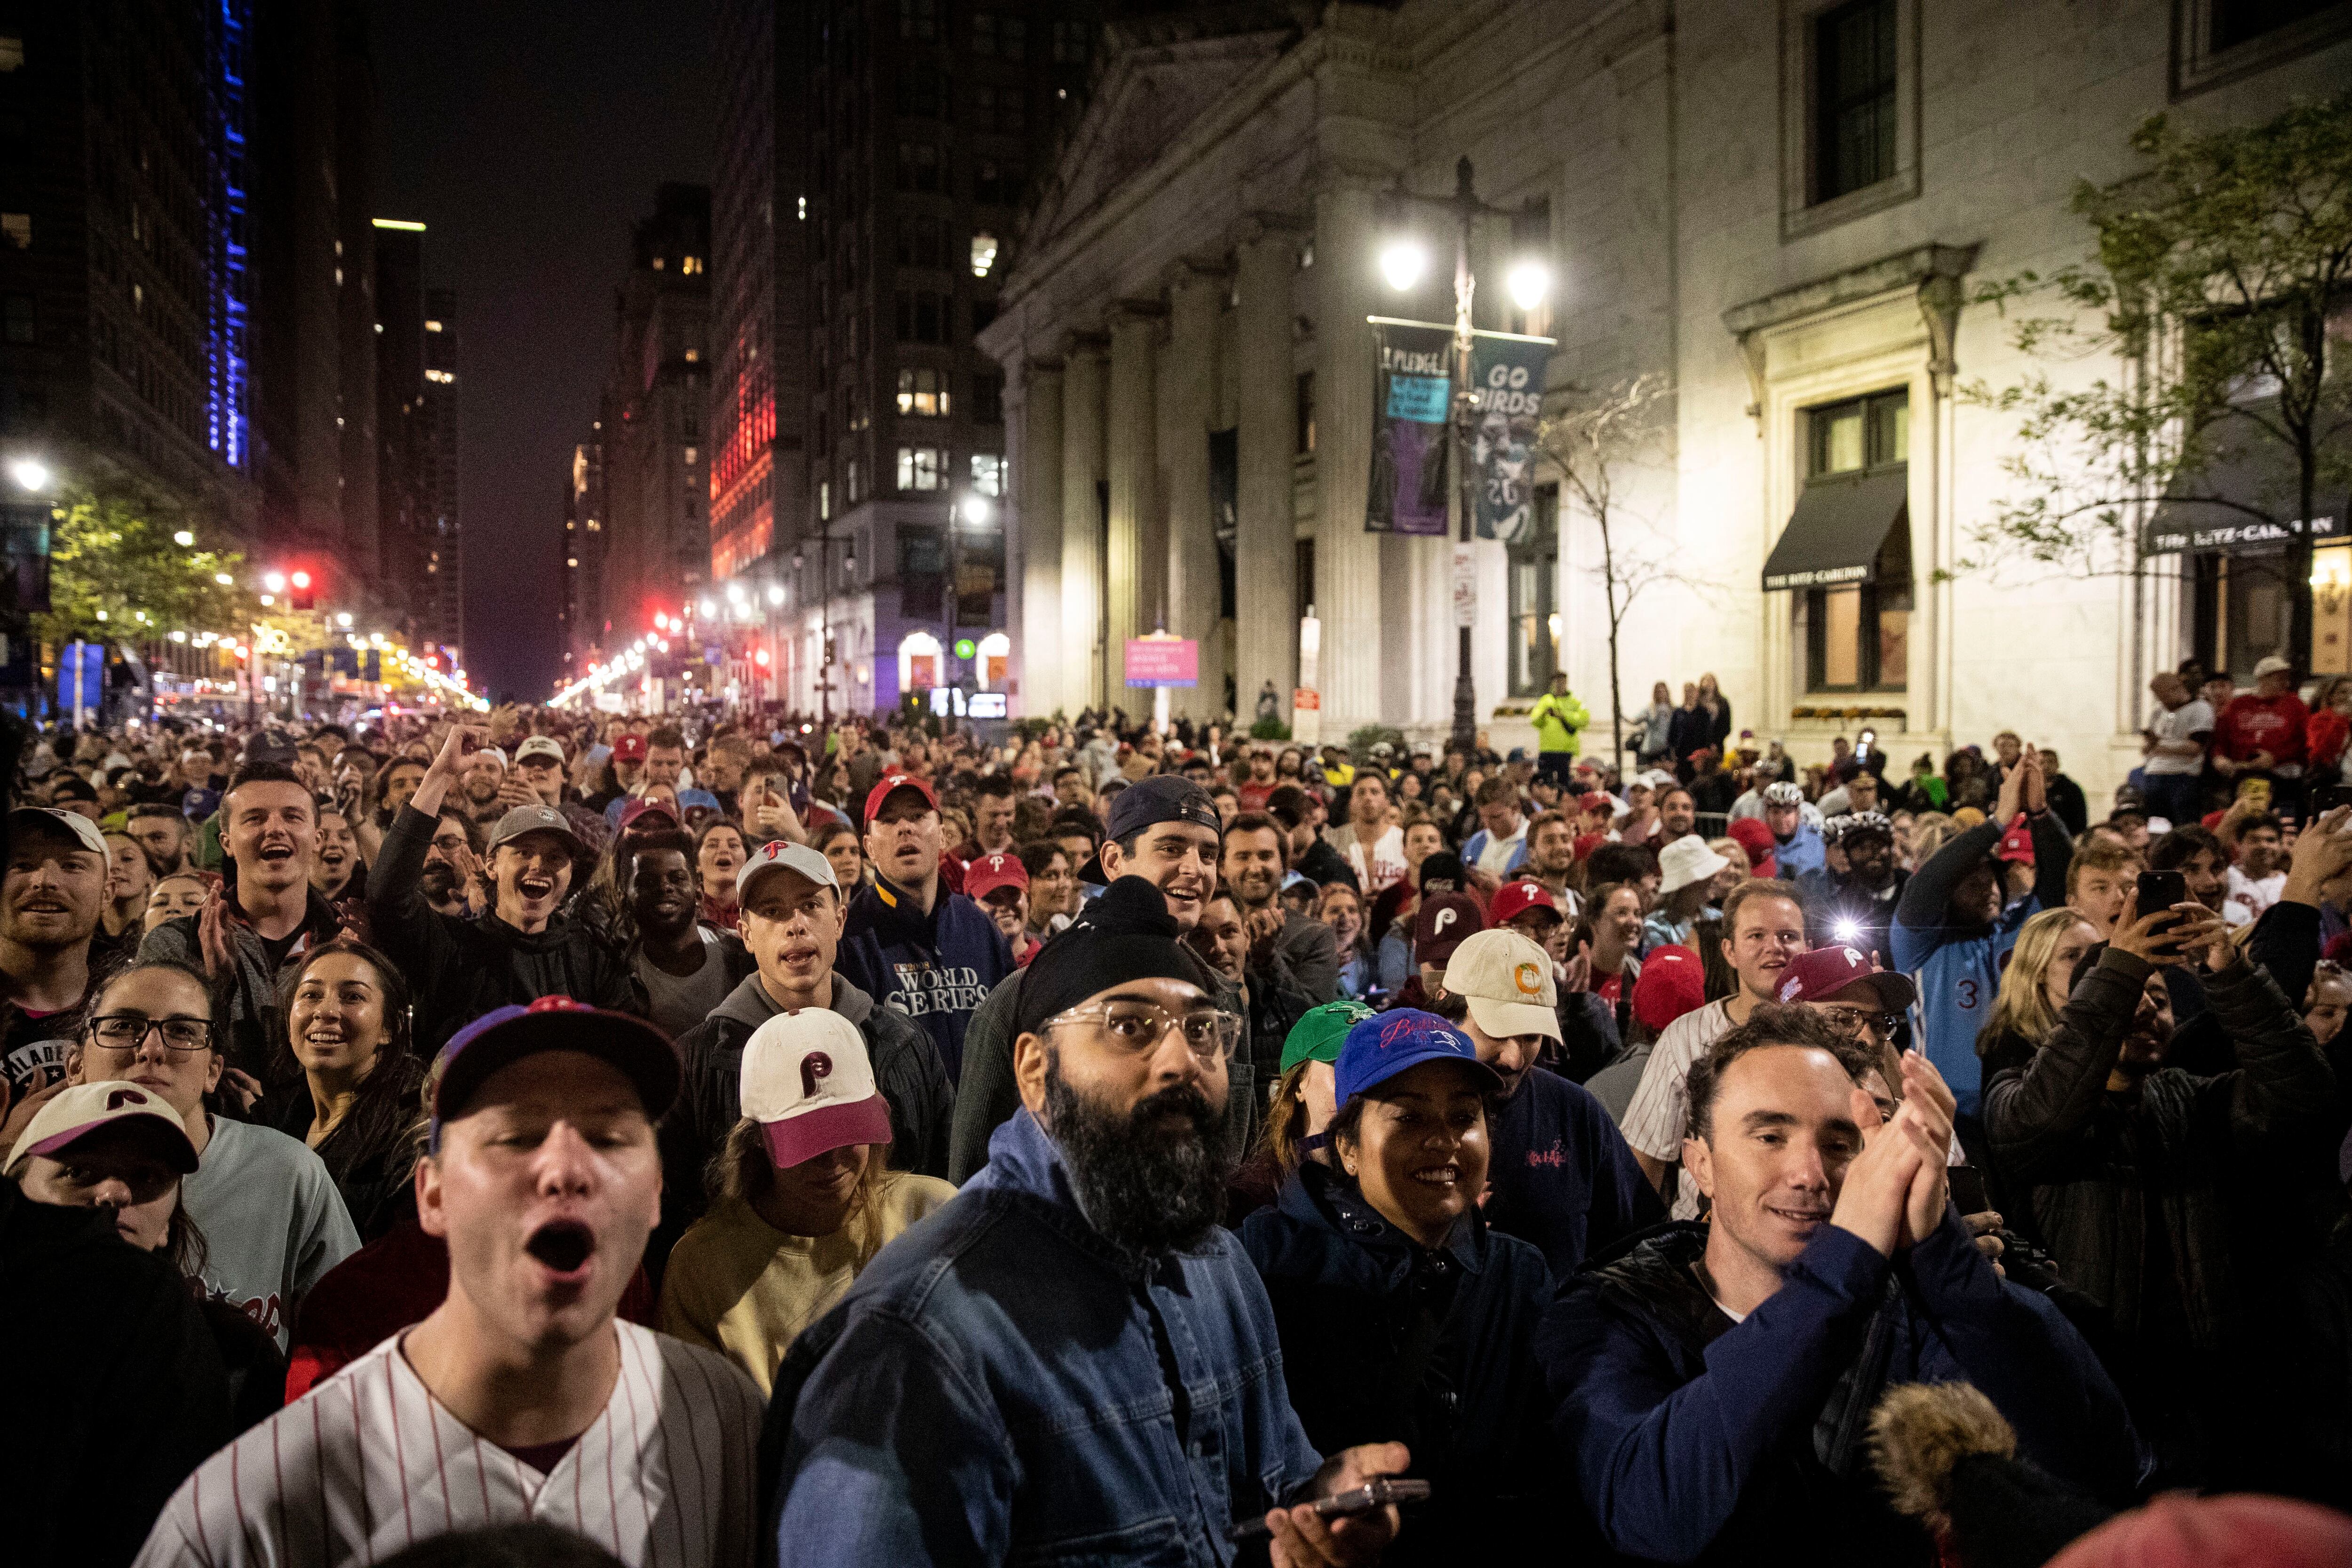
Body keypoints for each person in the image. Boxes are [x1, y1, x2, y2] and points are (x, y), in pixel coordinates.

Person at [765, 876, 1408, 1568]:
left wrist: (1320, 1508)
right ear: (1035, 1070)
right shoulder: (917, 1342)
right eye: (1130, 1026)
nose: (1180, 1061)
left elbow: (1268, 1492)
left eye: (1201, 1029)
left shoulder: (1220, 1267)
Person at [134, 998, 765, 1567]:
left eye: (609, 1136)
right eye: (516, 1136)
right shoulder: (254, 1503)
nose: (567, 1168)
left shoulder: (725, 1417)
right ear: (432, 1194)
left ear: (656, 1192)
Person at [1539, 1007, 2138, 1564]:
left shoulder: (1902, 1314)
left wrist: (1944, 1261)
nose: (1810, 1175)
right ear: (1700, 1165)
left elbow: (2093, 1463)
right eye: (1769, 1137)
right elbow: (1654, 1509)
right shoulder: (1607, 1314)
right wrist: (1843, 1260)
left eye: (1838, 1144)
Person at [1983, 900, 2338, 1487]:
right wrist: (2116, 972)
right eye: (2131, 995)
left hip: (2213, 1392)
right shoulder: (2014, 1094)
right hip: (2097, 1384)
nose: (2145, 1009)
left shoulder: (2194, 1098)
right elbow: (2042, 1122)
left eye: (2160, 997)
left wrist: (2231, 975)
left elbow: (2306, 1098)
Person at [1241, 1009, 1556, 1563]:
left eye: (1464, 1117)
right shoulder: (1266, 1266)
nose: (1443, 1141)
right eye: (1408, 1119)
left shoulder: (1519, 1277)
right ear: (1348, 1148)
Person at [947, 775, 1255, 1180]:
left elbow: (1229, 1165)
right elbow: (973, 1172)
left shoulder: (1224, 999)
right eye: (1171, 848)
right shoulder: (1025, 993)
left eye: (1209, 854)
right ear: (1113, 862)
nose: (1194, 869)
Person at [666, 838, 953, 1267]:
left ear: (839, 920)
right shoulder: (697, 1062)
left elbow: (940, 1168)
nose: (795, 925)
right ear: (745, 933)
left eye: (810, 905)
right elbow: (680, 1209)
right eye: (773, 911)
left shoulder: (904, 1042)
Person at [658, 1008, 955, 1393]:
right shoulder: (703, 1268)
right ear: (758, 1139)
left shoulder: (934, 1213)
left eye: (846, 1127)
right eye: (808, 1139)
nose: (831, 1157)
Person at [3, 1079, 235, 1568]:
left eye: (147, 1177)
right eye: (78, 1172)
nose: (113, 1193)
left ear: (172, 1220)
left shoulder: (236, 1361)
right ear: (17, 1194)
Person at [71, 958, 358, 1351]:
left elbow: (351, 1339)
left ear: (213, 1070)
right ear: (75, 1066)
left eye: (183, 1030)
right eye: (123, 1027)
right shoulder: (32, 1179)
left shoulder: (287, 1172)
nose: (151, 1049)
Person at [370, 726, 635, 1051]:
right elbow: (387, 897)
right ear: (492, 866)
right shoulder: (451, 946)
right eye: (524, 852)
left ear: (569, 874)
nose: (539, 865)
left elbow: (620, 1051)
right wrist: (441, 774)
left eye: (555, 857)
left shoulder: (593, 955)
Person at [1438, 927, 1660, 1275]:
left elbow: (1638, 1244)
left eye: (1530, 1036)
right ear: (1448, 1012)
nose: (1513, 1058)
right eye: (1495, 1031)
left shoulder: (1576, 1113)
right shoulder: (1404, 1112)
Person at [1891, 748, 2072, 1117]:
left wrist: (2039, 813)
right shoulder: (1921, 944)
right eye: (1972, 882)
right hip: (1946, 1113)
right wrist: (1997, 822)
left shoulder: (2017, 928)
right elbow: (1927, 884)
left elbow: (2062, 878)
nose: (1988, 888)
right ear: (1949, 895)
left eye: (1991, 877)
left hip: (2024, 1106)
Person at [140, 762, 343, 1089]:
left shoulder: (347, 940)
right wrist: (215, 988)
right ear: (227, 843)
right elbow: (159, 1061)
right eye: (255, 818)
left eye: (292, 816)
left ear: (317, 838)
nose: (275, 828)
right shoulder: (178, 943)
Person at [1621, 878, 1808, 1212]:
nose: (1774, 947)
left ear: (1807, 947)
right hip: (1704, 1236)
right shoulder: (1686, 1035)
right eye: (1756, 935)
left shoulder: (1830, 1032)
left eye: (1788, 936)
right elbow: (1644, 1161)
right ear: (1729, 951)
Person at [836, 771, 1014, 1084]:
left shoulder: (978, 926)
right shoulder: (850, 936)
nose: (906, 828)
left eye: (918, 816)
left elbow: (1012, 1034)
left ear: (943, 835)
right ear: (869, 847)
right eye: (889, 820)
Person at [255, 938, 427, 1241]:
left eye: (352, 997)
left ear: (391, 1027)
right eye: (311, 995)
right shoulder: (273, 1123)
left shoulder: (413, 1137)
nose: (326, 1011)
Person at [1, 806, 111, 1119]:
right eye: (21, 864)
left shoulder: (138, 1009)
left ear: (108, 892)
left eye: (72, 865)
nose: (44, 881)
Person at [623, 827, 748, 1038]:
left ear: (698, 891)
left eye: (677, 878)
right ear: (628, 896)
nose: (664, 888)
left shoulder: (738, 952)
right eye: (647, 881)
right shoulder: (623, 975)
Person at [1223, 812, 1342, 1006]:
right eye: (1242, 857)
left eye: (1265, 856)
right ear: (1222, 867)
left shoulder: (1314, 936)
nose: (1254, 868)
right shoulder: (1206, 935)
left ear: (1284, 865)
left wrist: (1268, 960)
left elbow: (1316, 1020)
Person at [1643, 835, 1728, 956]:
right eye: (1708, 873)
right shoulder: (1656, 927)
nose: (1716, 878)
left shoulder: (1718, 918)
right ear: (1688, 884)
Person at [2223, 808, 2288, 926]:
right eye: (2255, 840)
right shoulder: (2226, 877)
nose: (2264, 846)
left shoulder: (2289, 883)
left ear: (2281, 845)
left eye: (2271, 840)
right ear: (2238, 845)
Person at [1528, 671, 1589, 789]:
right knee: (1545, 782)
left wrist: (1564, 716)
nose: (1559, 685)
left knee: (1564, 783)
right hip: (1548, 749)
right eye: (1557, 682)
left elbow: (1584, 720)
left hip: (1566, 751)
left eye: (1562, 682)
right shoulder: (1546, 700)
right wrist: (1544, 713)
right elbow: (1535, 721)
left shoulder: (1575, 702)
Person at [1461, 775, 1531, 876]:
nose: (1488, 824)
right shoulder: (1475, 842)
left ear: (1515, 808)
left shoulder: (1533, 842)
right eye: (1483, 817)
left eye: (1496, 817)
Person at [695, 818, 748, 931]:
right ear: (697, 863)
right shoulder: (687, 912)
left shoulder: (759, 913)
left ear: (747, 861)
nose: (724, 850)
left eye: (733, 845)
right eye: (712, 845)